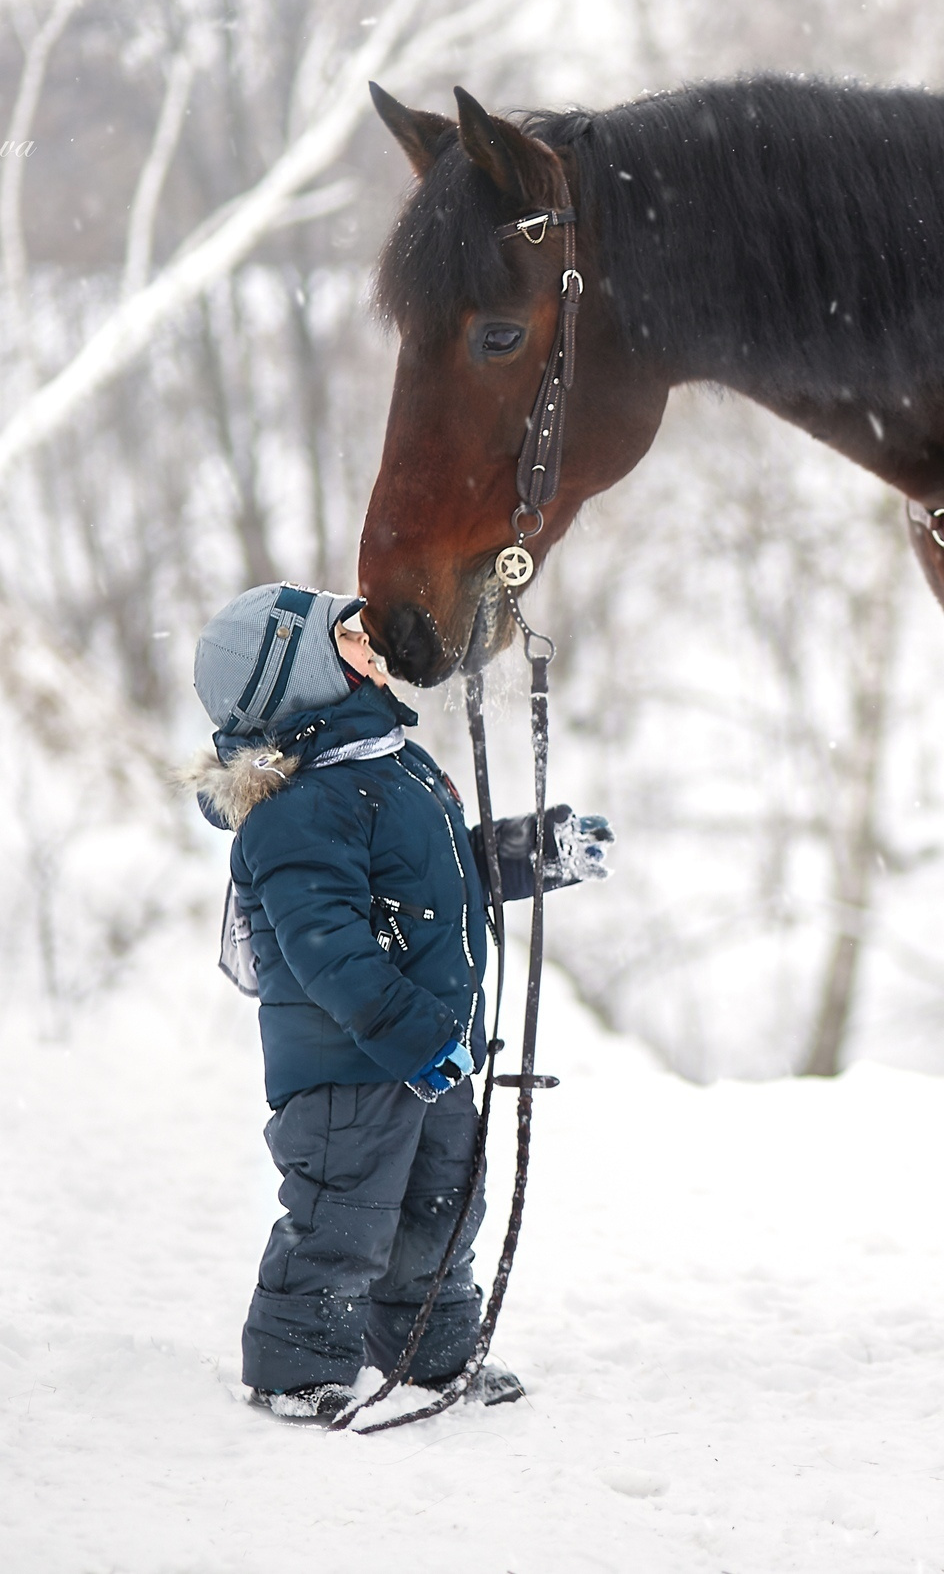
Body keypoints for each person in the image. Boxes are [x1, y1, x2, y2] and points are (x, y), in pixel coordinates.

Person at [182, 583, 610, 1423]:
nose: (371, 643)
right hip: (351, 1068)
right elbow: (329, 953)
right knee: (343, 1218)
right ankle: (295, 1368)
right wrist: (416, 1036)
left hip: (431, 1050)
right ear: (293, 676)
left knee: (443, 1206)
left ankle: (429, 1354)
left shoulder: (388, 765)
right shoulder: (298, 808)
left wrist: (537, 852)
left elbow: (449, 873)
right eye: (347, 639)